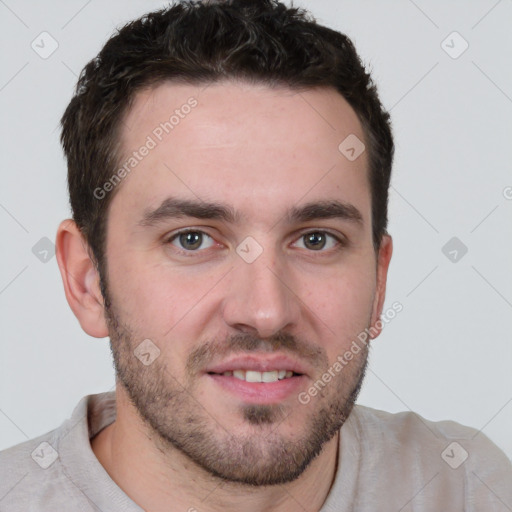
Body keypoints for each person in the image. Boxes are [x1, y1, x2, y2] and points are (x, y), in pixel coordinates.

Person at [1, 1, 510, 510]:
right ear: (87, 280)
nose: (266, 312)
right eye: (193, 239)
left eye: (316, 240)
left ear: (379, 280)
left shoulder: (469, 488)